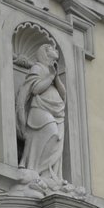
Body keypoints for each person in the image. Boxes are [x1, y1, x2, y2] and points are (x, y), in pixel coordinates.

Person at [17, 40, 67, 182]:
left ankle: (47, 173)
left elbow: (64, 94)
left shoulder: (53, 71)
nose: (55, 50)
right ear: (45, 52)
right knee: (51, 130)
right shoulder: (38, 68)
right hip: (39, 109)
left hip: (58, 112)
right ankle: (34, 167)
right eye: (51, 48)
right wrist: (50, 76)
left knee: (57, 140)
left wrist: (56, 76)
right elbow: (35, 89)